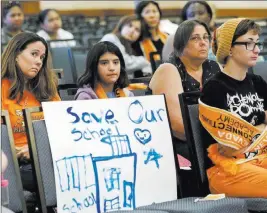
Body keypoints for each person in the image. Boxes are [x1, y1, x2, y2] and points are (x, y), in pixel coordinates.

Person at [200, 18, 267, 197]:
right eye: (248, 43)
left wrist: (252, 134)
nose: (257, 50)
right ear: (229, 48)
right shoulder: (215, 87)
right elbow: (228, 148)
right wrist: (262, 126)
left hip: (258, 159)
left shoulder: (257, 82)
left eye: (257, 43)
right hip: (226, 170)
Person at [148, 20, 221, 162]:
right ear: (180, 44)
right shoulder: (168, 70)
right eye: (195, 38)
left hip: (213, 140)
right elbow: (178, 127)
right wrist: (222, 139)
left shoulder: (213, 66)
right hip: (178, 147)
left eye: (206, 37)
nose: (203, 42)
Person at [1, 32, 61, 191]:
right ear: (15, 54)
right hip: (14, 164)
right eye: (34, 54)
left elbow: (62, 127)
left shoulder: (47, 89)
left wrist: (37, 148)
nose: (38, 61)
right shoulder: (2, 88)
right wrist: (21, 151)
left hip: (49, 156)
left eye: (42, 57)